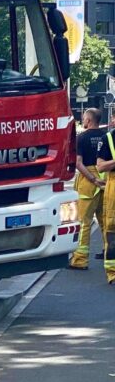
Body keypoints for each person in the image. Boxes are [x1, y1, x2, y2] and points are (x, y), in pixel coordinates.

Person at [70, 108, 107, 270]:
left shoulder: (82, 138)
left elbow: (79, 163)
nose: (82, 121)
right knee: (105, 220)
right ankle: (109, 252)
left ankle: (80, 259)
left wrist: (92, 179)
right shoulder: (106, 136)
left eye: (84, 118)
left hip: (88, 181)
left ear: (89, 120)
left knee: (84, 221)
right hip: (105, 179)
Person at [96, 119, 115, 283]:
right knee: (111, 227)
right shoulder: (108, 138)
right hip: (113, 184)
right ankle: (112, 271)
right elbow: (100, 167)